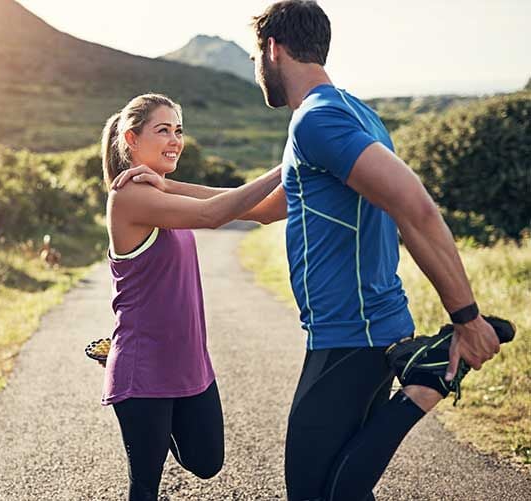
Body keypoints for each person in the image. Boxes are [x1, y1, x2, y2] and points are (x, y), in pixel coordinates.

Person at [113, 2, 513, 500]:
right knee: (341, 487)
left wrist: (467, 318)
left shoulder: (317, 122)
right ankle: (426, 381)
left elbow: (417, 209)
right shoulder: (348, 112)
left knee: (314, 490)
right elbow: (261, 209)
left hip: (352, 332)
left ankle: (428, 384)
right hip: (361, 328)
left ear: (273, 49)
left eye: (257, 57)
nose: (257, 69)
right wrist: (166, 189)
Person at [99, 93, 282, 501]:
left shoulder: (161, 188)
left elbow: (264, 211)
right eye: (162, 130)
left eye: (178, 130)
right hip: (144, 367)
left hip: (188, 361)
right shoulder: (129, 196)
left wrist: (326, 178)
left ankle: (146, 410)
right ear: (131, 138)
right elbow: (212, 215)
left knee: (206, 461)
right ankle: (124, 368)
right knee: (145, 486)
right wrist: (285, 164)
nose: (175, 140)